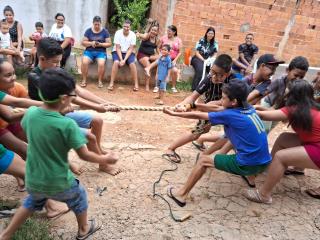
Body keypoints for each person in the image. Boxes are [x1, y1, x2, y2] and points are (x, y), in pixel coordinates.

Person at [0, 68, 119, 240]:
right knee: (79, 197)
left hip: (33, 178)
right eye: (72, 96)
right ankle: (84, 230)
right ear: (64, 99)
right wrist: (106, 158)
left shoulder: (30, 114)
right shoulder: (68, 126)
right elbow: (85, 155)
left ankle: (6, 235)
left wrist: (57, 111)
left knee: (31, 202)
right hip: (58, 181)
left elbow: (34, 127)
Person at [163, 79, 271, 207]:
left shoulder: (231, 115)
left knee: (203, 160)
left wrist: (174, 114)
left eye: (224, 97)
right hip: (264, 162)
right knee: (233, 139)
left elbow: (202, 115)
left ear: (234, 102)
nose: (221, 99)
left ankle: (181, 195)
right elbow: (217, 107)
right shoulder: (249, 109)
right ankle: (251, 179)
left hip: (249, 164)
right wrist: (192, 105)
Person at [28, 37, 121, 175]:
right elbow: (73, 98)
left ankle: (97, 150)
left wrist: (103, 103)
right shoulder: (36, 77)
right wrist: (97, 107)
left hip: (63, 112)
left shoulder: (57, 70)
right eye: (55, 62)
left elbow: (79, 90)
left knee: (97, 121)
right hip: (49, 118)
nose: (58, 65)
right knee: (90, 138)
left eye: (59, 62)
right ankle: (103, 163)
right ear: (42, 59)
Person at [244, 80, 320, 204]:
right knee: (284, 138)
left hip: (317, 150)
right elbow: (277, 114)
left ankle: (263, 195)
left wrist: (245, 108)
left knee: (281, 157)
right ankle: (269, 168)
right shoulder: (309, 108)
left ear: (293, 94)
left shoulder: (294, 109)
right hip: (314, 145)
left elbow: (264, 116)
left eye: (288, 91)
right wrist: (258, 107)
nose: (286, 92)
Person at [162, 54, 236, 163]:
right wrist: (181, 105)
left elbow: (224, 102)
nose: (213, 76)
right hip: (209, 110)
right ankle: (170, 149)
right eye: (212, 71)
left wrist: (210, 104)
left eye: (218, 74)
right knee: (197, 132)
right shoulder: (209, 77)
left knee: (233, 133)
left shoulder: (234, 82)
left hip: (227, 111)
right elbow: (193, 96)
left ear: (227, 74)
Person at [80, 16, 111, 88]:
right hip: (89, 51)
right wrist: (91, 43)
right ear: (93, 23)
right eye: (95, 24)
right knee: (84, 62)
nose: (97, 26)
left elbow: (109, 44)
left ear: (101, 23)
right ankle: (84, 80)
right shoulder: (88, 31)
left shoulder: (105, 31)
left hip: (101, 52)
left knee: (101, 63)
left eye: (98, 24)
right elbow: (83, 42)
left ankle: (100, 81)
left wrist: (101, 44)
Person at [108, 19, 138, 91]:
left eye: (127, 27)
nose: (126, 28)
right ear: (122, 26)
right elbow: (117, 48)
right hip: (117, 51)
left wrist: (124, 60)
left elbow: (131, 49)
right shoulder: (118, 33)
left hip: (128, 52)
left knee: (132, 64)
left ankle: (136, 84)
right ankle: (111, 83)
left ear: (130, 27)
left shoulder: (133, 35)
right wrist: (121, 59)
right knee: (116, 62)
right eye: (124, 26)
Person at [136, 20, 160, 91]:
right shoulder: (147, 35)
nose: (153, 31)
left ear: (157, 32)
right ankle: (147, 85)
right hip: (142, 55)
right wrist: (138, 34)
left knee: (161, 58)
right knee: (147, 63)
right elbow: (142, 36)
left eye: (155, 30)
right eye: (152, 30)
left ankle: (157, 84)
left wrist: (159, 55)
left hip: (150, 56)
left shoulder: (156, 39)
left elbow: (157, 49)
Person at [159, 25, 182, 93]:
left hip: (172, 60)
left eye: (169, 31)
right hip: (164, 59)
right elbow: (158, 47)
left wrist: (175, 60)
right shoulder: (163, 38)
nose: (168, 32)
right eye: (167, 31)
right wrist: (160, 54)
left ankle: (173, 87)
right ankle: (158, 86)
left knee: (174, 71)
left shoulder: (178, 40)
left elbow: (180, 52)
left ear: (174, 32)